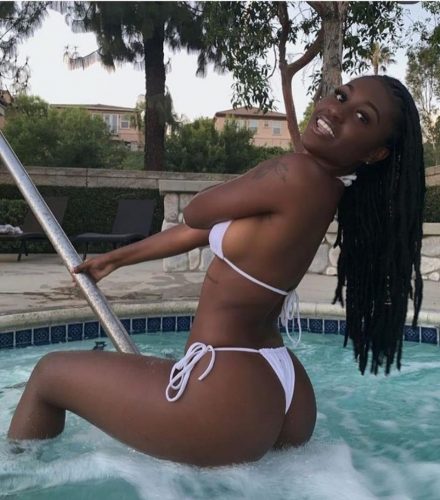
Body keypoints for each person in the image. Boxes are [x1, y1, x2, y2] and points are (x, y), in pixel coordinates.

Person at [7, 75, 425, 466]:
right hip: (284, 388)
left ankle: (18, 475)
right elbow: (202, 231)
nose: (336, 110)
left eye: (361, 117)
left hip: (229, 388)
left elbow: (197, 210)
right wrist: (116, 259)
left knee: (49, 375)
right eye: (341, 95)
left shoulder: (295, 171)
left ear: (376, 153)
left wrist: (263, 172)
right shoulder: (328, 190)